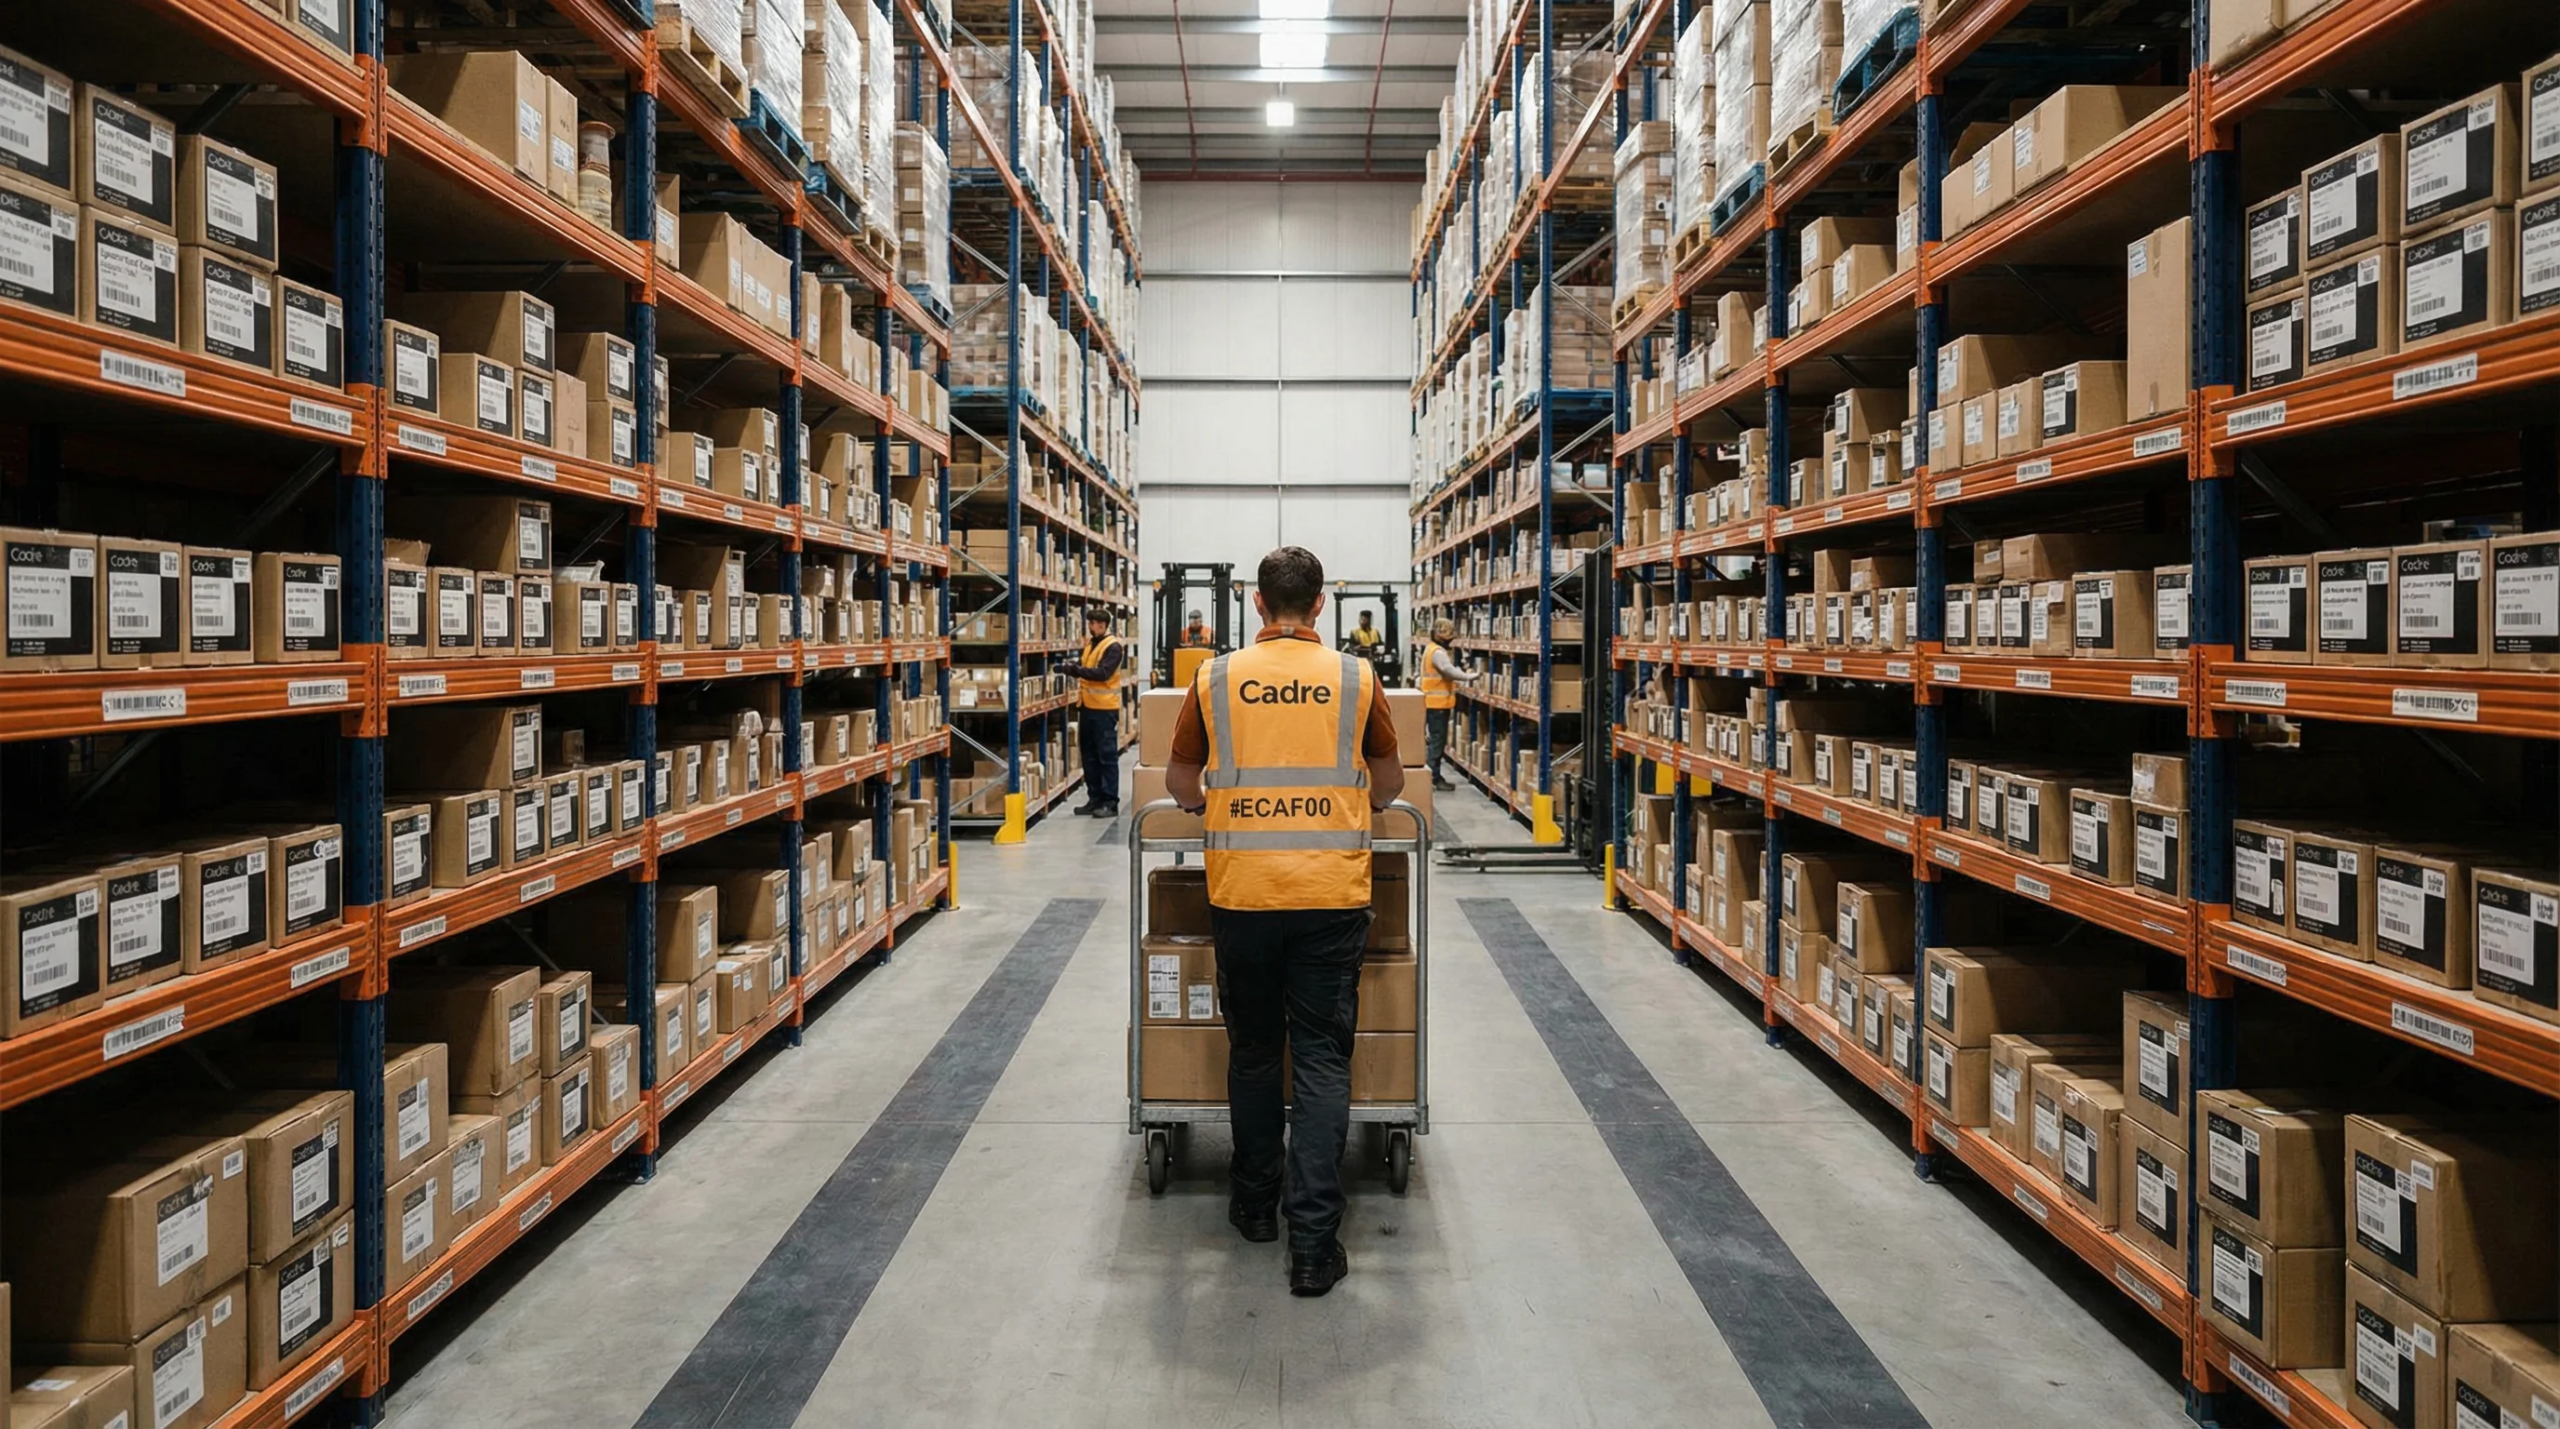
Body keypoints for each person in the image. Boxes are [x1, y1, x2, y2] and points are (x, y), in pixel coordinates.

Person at [1166, 546, 1404, 1297]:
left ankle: (1254, 1205)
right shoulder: (1357, 676)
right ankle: (1312, 1245)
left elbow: (1180, 781)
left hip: (1243, 895)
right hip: (1333, 894)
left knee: (1257, 1054)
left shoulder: (1213, 675)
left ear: (1257, 605)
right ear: (1324, 605)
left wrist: (1219, 803)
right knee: (1326, 1060)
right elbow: (1390, 781)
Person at [1059, 608, 1125, 817]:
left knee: (1106, 756)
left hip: (1105, 710)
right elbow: (1086, 666)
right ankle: (1094, 798)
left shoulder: (1113, 647)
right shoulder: (1091, 644)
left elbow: (1103, 674)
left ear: (1104, 625)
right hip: (1087, 707)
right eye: (1090, 622)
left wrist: (1075, 671)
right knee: (1088, 756)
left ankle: (1109, 802)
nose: (1090, 626)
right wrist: (1069, 666)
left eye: (1094, 623)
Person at [1417, 619, 1482, 791]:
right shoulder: (1437, 652)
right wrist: (1468, 677)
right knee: (1437, 742)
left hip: (1434, 703)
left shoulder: (1431, 648)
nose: (1450, 641)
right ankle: (1434, 777)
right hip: (1437, 705)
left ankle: (1433, 775)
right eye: (1449, 636)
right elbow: (1448, 670)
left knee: (1435, 741)